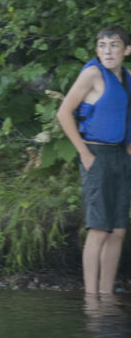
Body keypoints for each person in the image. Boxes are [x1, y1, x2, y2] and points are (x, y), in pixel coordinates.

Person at [57, 26, 131, 295]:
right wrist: (84, 154)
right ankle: (91, 297)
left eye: (113, 45)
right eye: (102, 45)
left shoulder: (128, 78)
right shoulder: (92, 74)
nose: (107, 51)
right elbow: (64, 113)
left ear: (127, 49)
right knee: (99, 229)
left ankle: (107, 294)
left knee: (118, 230)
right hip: (95, 154)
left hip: (120, 157)